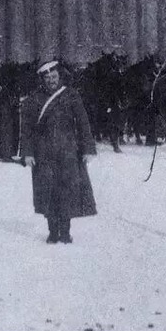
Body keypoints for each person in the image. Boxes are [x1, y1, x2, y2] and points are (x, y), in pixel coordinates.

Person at [19, 60, 97, 244]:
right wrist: (28, 153)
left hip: (68, 151)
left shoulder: (71, 95)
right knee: (48, 191)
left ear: (59, 76)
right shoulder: (35, 99)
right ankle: (53, 231)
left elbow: (83, 123)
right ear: (42, 79)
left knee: (67, 191)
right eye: (47, 77)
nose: (51, 80)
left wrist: (87, 149)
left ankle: (65, 231)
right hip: (43, 153)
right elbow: (27, 129)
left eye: (53, 76)